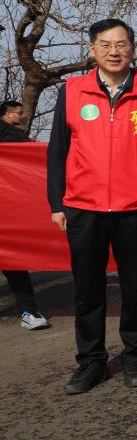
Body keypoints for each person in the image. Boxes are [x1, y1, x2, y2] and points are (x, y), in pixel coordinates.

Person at [47, 18, 137, 394]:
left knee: (135, 287)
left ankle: (133, 357)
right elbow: (58, 150)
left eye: (121, 44)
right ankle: (91, 362)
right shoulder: (72, 91)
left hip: (135, 206)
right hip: (84, 206)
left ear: (132, 49)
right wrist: (57, 202)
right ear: (92, 50)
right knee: (88, 289)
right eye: (105, 44)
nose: (114, 51)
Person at [1, 100, 50, 329]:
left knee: (12, 261)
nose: (22, 116)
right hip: (8, 210)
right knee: (13, 262)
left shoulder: (14, 137)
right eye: (18, 113)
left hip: (7, 208)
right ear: (7, 114)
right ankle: (28, 311)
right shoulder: (12, 137)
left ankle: (28, 311)